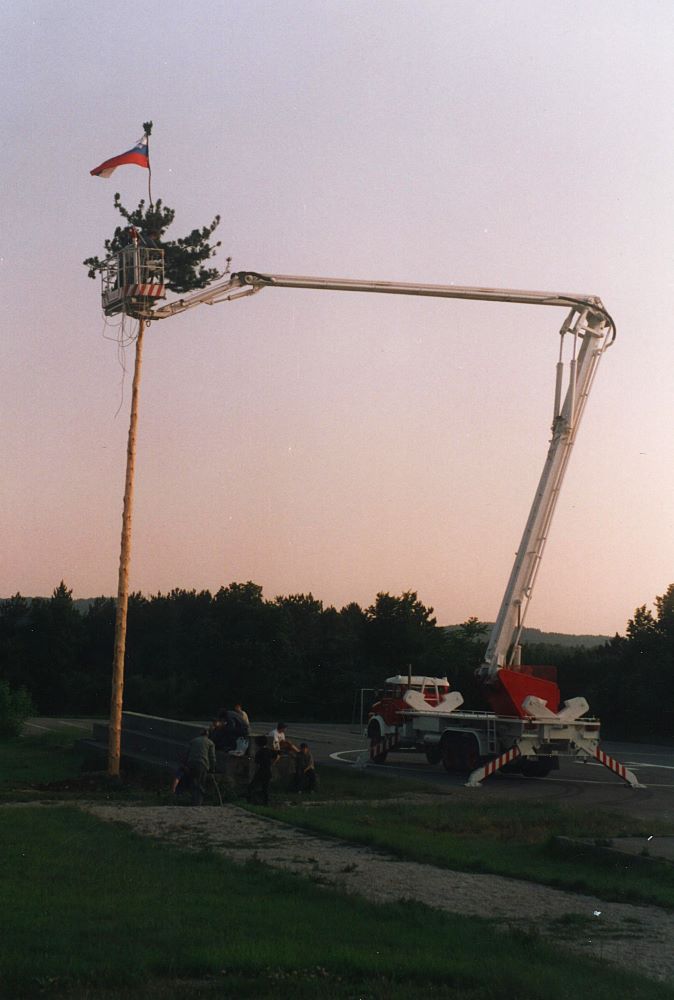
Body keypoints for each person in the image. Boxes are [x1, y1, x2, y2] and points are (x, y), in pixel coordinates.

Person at [185, 729, 216, 806]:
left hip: (191, 763)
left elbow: (186, 753)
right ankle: (198, 802)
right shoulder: (210, 743)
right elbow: (212, 757)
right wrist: (213, 768)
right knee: (200, 784)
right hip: (202, 764)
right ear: (207, 735)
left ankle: (193, 801)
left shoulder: (193, 741)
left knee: (193, 782)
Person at [247, 735, 277, 805]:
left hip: (261, 771)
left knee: (252, 786)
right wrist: (272, 763)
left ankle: (251, 800)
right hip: (268, 771)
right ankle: (266, 802)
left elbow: (257, 763)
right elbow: (276, 755)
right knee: (265, 788)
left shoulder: (259, 752)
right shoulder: (269, 751)